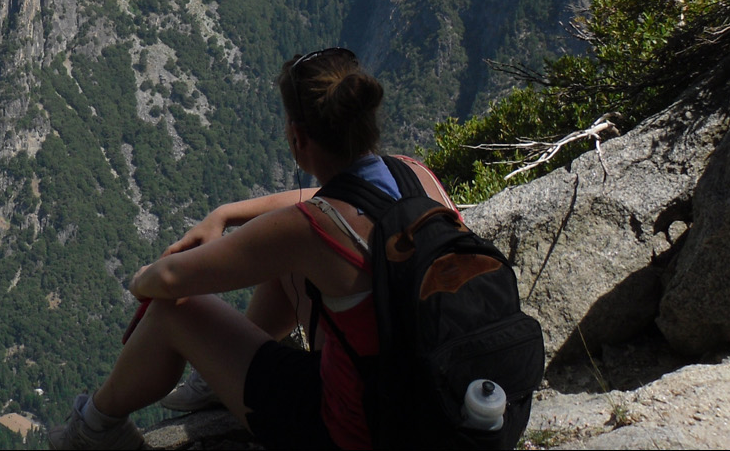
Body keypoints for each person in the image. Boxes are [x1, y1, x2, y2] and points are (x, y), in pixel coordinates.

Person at [47, 47, 456, 451]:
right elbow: (333, 196)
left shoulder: (310, 229)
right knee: (296, 273)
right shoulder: (416, 173)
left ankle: (94, 429)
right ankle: (215, 384)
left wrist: (142, 281)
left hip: (351, 432)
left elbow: (170, 281)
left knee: (173, 312)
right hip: (437, 406)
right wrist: (224, 215)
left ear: (297, 139)